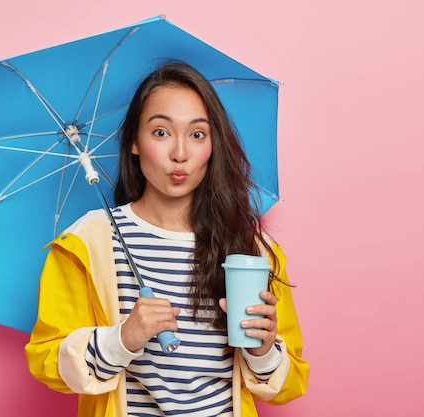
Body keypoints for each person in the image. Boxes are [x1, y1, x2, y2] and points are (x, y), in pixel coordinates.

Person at [25, 62, 309, 416]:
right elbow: (46, 359)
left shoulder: (250, 248)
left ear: (213, 145)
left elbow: (292, 380)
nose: (180, 153)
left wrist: (263, 350)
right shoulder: (88, 242)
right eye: (161, 132)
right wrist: (122, 339)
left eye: (197, 134)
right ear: (134, 142)